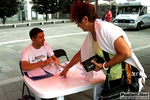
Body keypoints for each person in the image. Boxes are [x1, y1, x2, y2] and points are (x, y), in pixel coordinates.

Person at [60, 2, 147, 99]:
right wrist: (66, 69)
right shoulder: (92, 33)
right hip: (112, 77)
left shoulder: (105, 30)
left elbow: (126, 53)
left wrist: (104, 65)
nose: (78, 26)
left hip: (124, 77)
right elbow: (81, 53)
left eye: (77, 22)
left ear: (85, 19)